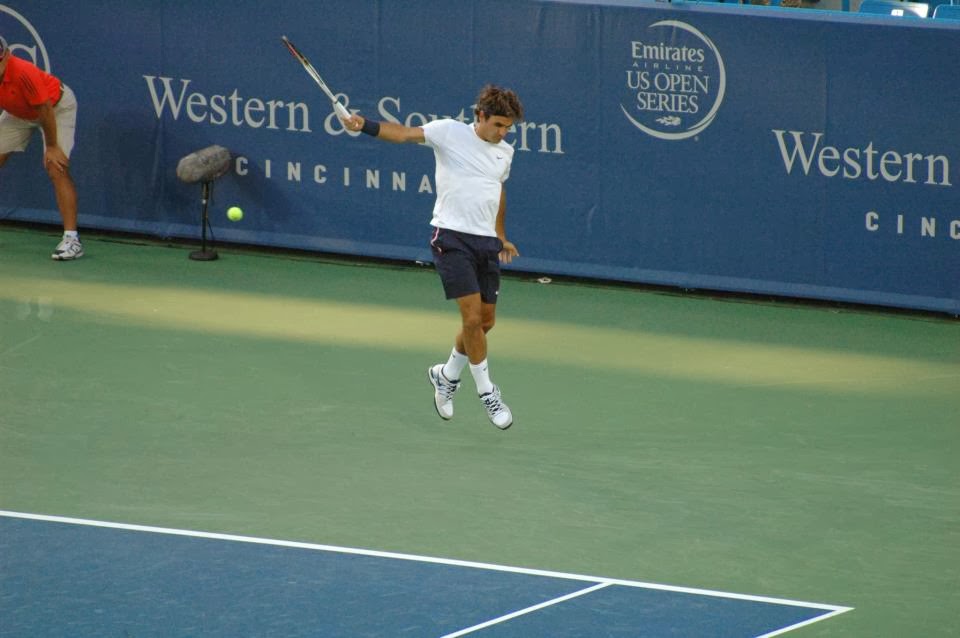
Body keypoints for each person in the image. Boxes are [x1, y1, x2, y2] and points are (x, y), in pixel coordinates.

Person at [342, 85, 524, 430]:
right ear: (481, 116)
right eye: (498, 125)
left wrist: (500, 236)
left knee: (485, 323)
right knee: (472, 318)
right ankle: (487, 392)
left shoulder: (505, 152)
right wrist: (363, 124)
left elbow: (497, 192)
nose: (503, 133)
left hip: (485, 241)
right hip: (451, 237)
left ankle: (446, 375)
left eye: (508, 128)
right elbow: (403, 134)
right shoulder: (449, 132)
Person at [0, 35, 82, 260]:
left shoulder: (22, 72)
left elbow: (44, 109)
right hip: (18, 112)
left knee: (56, 166)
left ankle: (72, 239)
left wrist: (52, 146)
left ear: (7, 55)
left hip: (55, 109)